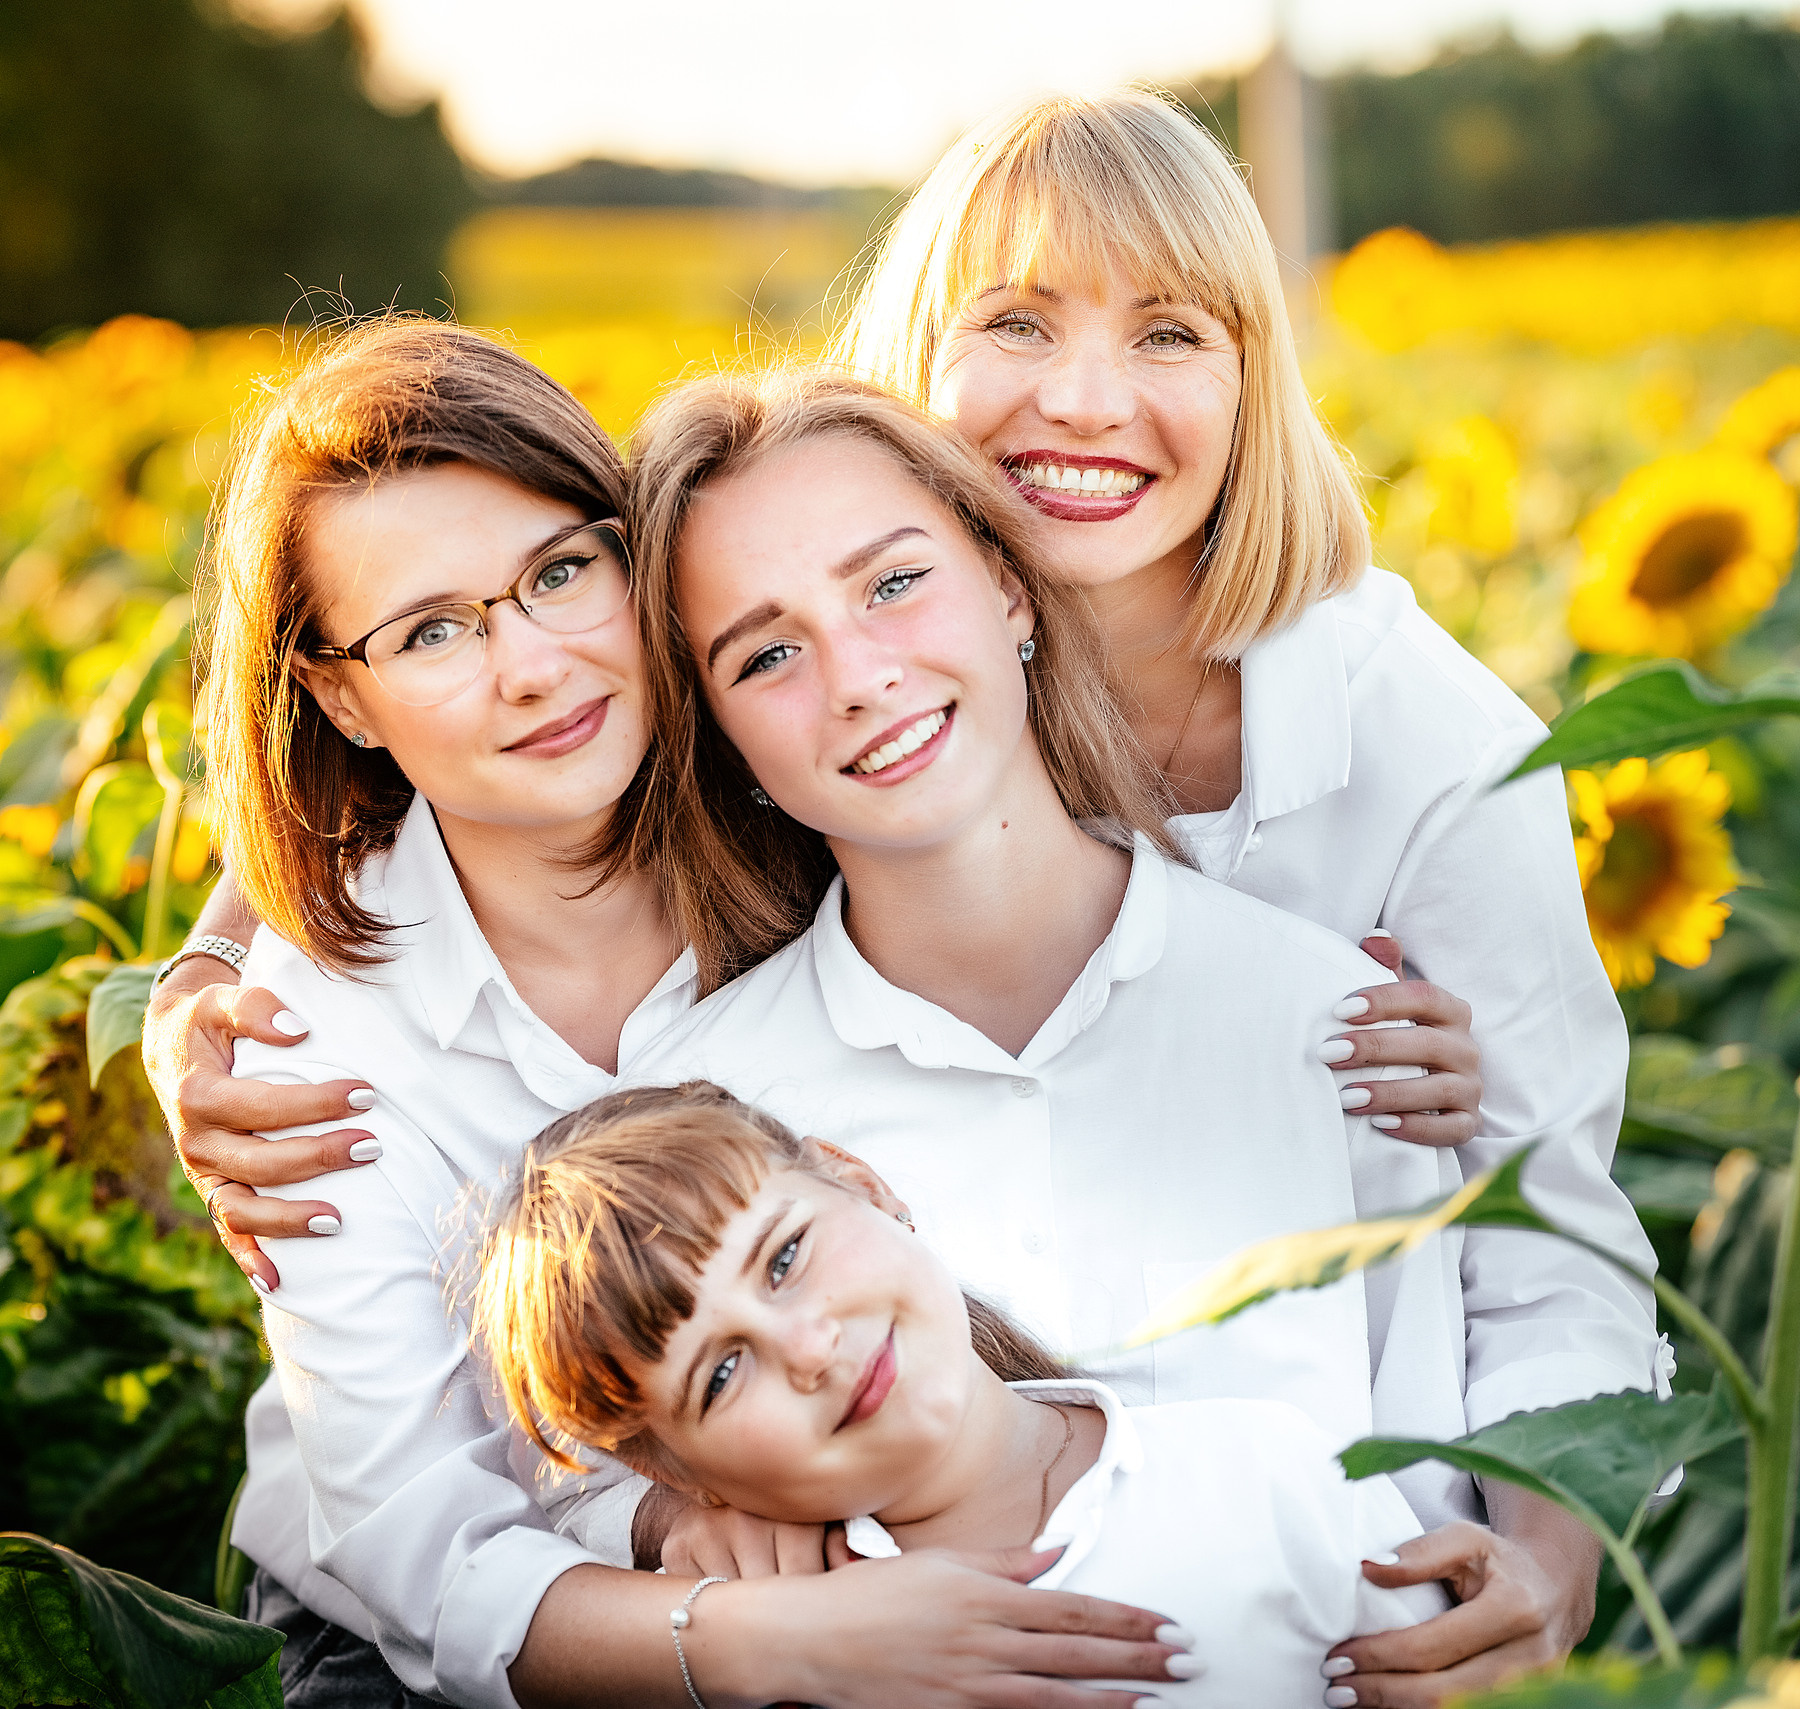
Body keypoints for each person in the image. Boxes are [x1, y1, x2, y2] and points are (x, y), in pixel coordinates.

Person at [154, 86, 1662, 1701]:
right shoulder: (728, 932)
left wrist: (1540, 1567)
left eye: (1172, 331)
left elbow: (1549, 1231)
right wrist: (197, 979)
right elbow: (455, 1509)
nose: (1086, 398)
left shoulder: (1397, 770)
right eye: (1017, 319)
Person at [193, 316, 1188, 1709]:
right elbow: (423, 1553)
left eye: (558, 574)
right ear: (341, 697)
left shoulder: (799, 776)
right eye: (433, 632)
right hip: (453, 1621)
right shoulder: (314, 1045)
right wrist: (753, 1621)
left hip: (895, 1460)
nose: (533, 668)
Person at [469, 1081, 1451, 1707]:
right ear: (669, 1469)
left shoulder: (1265, 1469)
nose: (807, 1346)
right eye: (720, 1374)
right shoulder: (769, 1662)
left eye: (785, 1257)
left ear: (859, 1180)